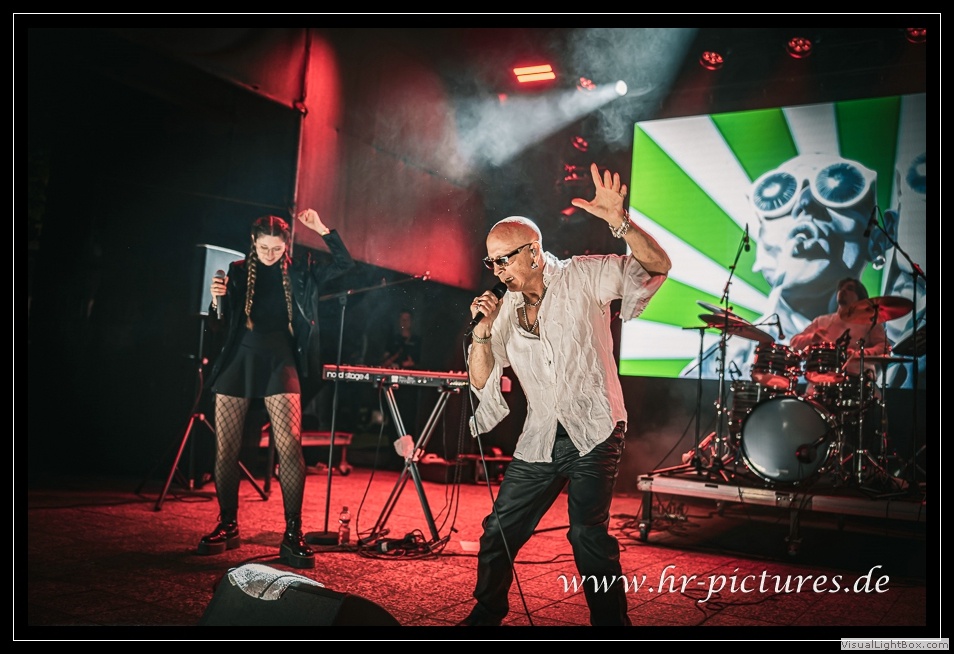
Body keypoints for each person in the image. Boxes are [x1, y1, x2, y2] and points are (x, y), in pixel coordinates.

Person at [458, 162, 671, 626]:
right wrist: (483, 332)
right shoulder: (503, 309)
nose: (497, 270)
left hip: (594, 427)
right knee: (497, 531)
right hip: (541, 436)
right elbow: (480, 379)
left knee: (586, 535)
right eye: (491, 262)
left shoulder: (583, 275)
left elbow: (657, 267)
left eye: (505, 259)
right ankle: (487, 614)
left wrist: (621, 222)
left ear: (534, 252)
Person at [197, 209, 354, 569]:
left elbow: (345, 265)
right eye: (264, 247)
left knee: (290, 446)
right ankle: (227, 524)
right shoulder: (237, 271)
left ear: (287, 245)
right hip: (239, 359)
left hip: (280, 360)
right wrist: (216, 298)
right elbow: (220, 326)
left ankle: (293, 532)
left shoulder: (302, 270)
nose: (270, 253)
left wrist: (321, 229)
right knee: (225, 449)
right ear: (253, 243)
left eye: (276, 248)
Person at [683, 153, 898, 383]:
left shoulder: (896, 361)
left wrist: (855, 355)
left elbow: (883, 349)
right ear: (761, 245)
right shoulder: (726, 360)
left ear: (880, 238)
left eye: (840, 191)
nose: (805, 204)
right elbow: (797, 341)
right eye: (778, 198)